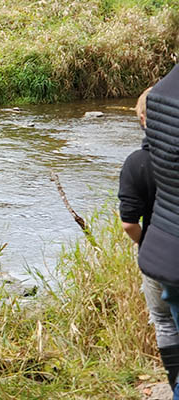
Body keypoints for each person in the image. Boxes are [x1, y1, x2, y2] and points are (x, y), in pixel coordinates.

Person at [118, 87, 179, 392]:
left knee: (164, 321)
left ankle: (174, 383)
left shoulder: (135, 163)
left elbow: (129, 224)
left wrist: (145, 243)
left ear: (142, 119)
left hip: (156, 256)